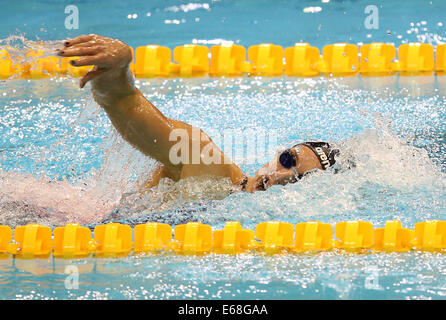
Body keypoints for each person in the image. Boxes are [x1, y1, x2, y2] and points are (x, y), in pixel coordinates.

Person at [57, 34, 339, 193]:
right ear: (275, 155)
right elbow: (124, 103)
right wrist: (117, 75)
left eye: (296, 179)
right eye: (287, 160)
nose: (277, 176)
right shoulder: (208, 163)